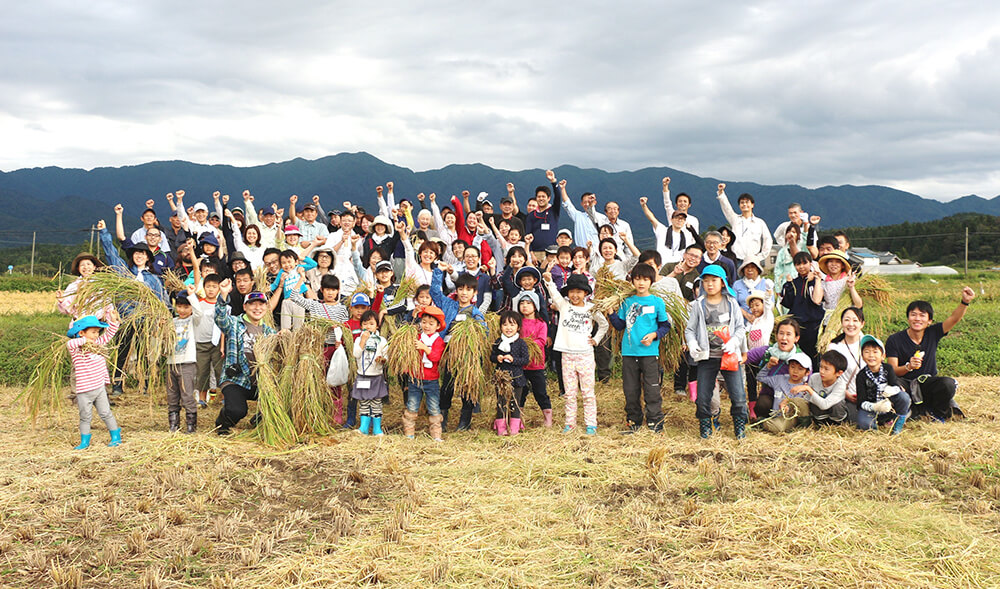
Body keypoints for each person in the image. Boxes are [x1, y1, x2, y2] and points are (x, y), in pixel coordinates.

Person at [98, 219, 168, 397]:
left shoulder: (153, 279)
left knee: (144, 353)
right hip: (126, 319)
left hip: (145, 320)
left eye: (143, 254)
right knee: (122, 351)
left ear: (148, 258)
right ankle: (117, 384)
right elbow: (111, 254)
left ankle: (144, 384)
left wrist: (161, 317)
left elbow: (161, 301)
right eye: (136, 253)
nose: (139, 256)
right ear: (133, 255)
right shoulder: (124, 273)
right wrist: (104, 232)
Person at [885, 287, 975, 422]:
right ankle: (908, 411)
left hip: (927, 383)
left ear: (929, 321)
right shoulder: (895, 339)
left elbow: (954, 319)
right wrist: (908, 367)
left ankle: (936, 413)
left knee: (948, 384)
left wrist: (965, 302)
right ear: (908, 318)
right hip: (906, 384)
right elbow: (893, 370)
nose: (917, 319)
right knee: (891, 384)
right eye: (913, 314)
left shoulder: (933, 333)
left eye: (922, 315)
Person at [684, 265, 748, 439]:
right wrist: (692, 342)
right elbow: (690, 329)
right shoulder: (699, 305)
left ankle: (740, 426)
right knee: (703, 396)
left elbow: (741, 328)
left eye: (714, 280)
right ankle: (706, 426)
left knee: (738, 394)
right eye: (706, 281)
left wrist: (734, 342)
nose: (710, 284)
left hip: (729, 357)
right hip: (708, 357)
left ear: (722, 282)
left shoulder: (731, 303)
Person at [606, 263, 671, 433]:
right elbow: (620, 325)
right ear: (632, 281)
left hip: (649, 353)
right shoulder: (627, 302)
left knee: (652, 388)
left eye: (645, 279)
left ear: (651, 281)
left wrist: (654, 335)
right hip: (629, 352)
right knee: (630, 389)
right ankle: (633, 420)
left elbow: (665, 325)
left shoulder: (657, 302)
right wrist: (612, 314)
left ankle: (655, 421)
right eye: (637, 279)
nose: (641, 283)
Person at [543, 272, 609, 435]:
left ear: (586, 293)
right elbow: (554, 294)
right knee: (570, 393)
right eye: (572, 291)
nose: (575, 295)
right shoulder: (564, 306)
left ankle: (591, 423)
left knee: (588, 393)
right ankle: (570, 423)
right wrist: (549, 280)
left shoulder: (591, 308)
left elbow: (604, 324)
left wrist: (596, 339)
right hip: (567, 355)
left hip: (585, 355)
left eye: (579, 292)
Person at [431, 263, 487, 431]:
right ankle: (442, 418)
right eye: (461, 289)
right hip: (449, 353)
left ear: (474, 293)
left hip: (467, 356)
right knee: (447, 386)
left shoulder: (476, 313)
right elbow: (435, 292)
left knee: (467, 386)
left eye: (468, 290)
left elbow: (484, 333)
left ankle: (465, 421)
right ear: (457, 290)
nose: (464, 293)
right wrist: (437, 272)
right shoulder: (449, 305)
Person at [213, 286, 277, 435]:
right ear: (245, 306)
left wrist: (284, 336)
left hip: (259, 382)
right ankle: (222, 423)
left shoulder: (270, 332)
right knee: (237, 410)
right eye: (252, 304)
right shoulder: (234, 324)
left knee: (278, 401)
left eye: (261, 304)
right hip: (236, 380)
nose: (257, 308)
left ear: (266, 307)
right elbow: (220, 318)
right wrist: (223, 295)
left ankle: (258, 420)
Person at [67, 311, 122, 450]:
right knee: (85, 417)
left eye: (98, 331)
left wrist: (114, 322)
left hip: (99, 388)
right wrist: (86, 340)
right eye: (93, 332)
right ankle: (84, 442)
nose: (97, 335)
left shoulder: (98, 344)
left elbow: (109, 334)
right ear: (82, 333)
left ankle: (116, 436)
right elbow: (70, 344)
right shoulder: (77, 349)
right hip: (84, 391)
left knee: (105, 413)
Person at [402, 306, 447, 441]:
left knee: (433, 407)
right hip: (415, 379)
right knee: (412, 405)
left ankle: (436, 435)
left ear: (438, 326)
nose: (427, 326)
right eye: (424, 322)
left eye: (431, 323)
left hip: (431, 380)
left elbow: (435, 358)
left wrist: (424, 348)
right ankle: (409, 433)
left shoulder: (438, 341)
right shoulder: (416, 336)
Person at [513, 291, 552, 427]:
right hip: (520, 364)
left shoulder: (541, 324)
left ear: (535, 306)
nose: (525, 306)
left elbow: (541, 341)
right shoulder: (518, 323)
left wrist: (524, 344)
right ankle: (518, 419)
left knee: (540, 391)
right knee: (520, 392)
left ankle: (547, 417)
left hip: (536, 364)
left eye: (528, 303)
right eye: (522, 303)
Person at [857, 335, 909, 434]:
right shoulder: (861, 375)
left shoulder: (888, 369)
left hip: (888, 405)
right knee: (864, 424)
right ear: (862, 357)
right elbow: (861, 401)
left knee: (904, 397)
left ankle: (897, 426)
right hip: (871, 407)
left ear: (883, 356)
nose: (871, 355)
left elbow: (896, 386)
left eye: (875, 352)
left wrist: (891, 391)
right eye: (867, 352)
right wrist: (875, 407)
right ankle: (875, 429)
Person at [490, 311, 530, 436]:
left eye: (512, 325)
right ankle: (501, 427)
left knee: (515, 402)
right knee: (501, 402)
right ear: (500, 326)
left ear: (518, 327)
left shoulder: (521, 343)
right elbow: (492, 356)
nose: (508, 328)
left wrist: (514, 360)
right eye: (505, 325)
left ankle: (514, 427)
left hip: (516, 378)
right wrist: (498, 358)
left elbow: (525, 360)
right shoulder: (498, 342)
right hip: (501, 378)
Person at [780, 251, 824, 363]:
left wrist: (812, 281)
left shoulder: (817, 280)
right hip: (797, 324)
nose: (801, 267)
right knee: (797, 354)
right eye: (798, 264)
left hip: (813, 325)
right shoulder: (793, 283)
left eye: (805, 263)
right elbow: (787, 303)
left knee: (814, 355)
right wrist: (789, 285)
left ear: (810, 264)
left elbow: (817, 300)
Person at [754, 352, 814, 433]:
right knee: (778, 427)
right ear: (788, 367)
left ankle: (802, 427)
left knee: (781, 426)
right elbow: (760, 377)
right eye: (792, 367)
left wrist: (788, 406)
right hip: (779, 417)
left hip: (793, 418)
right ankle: (762, 423)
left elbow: (806, 405)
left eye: (800, 369)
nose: (795, 371)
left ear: (807, 372)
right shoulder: (779, 380)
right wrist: (769, 366)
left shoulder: (805, 386)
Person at [167, 289, 200, 433]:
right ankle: (174, 425)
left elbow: (199, 312)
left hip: (187, 363)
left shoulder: (193, 320)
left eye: (186, 307)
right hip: (171, 363)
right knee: (172, 395)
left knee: (187, 394)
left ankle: (191, 426)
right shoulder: (171, 322)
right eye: (179, 306)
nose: (182, 310)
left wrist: (192, 296)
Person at [827, 306, 867, 424]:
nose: (851, 324)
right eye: (847, 320)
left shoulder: (870, 343)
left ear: (862, 324)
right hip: (845, 396)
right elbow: (830, 376)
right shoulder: (834, 347)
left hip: (868, 395)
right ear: (841, 323)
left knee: (867, 423)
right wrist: (845, 393)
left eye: (855, 320)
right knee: (854, 421)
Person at [352, 311, 389, 436]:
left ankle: (377, 428)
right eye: (365, 324)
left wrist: (382, 360)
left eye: (371, 324)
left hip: (376, 376)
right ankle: (363, 427)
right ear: (361, 325)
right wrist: (363, 340)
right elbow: (356, 354)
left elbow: (386, 356)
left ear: (377, 326)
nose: (368, 326)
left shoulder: (382, 340)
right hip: (362, 376)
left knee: (376, 402)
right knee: (364, 401)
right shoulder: (358, 339)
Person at [716, 183, 772, 263]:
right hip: (736, 259)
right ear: (739, 205)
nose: (744, 204)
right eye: (742, 202)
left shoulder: (760, 222)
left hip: (753, 260)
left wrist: (761, 256)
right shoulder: (735, 219)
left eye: (747, 202)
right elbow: (727, 208)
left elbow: (768, 239)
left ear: (752, 205)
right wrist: (721, 191)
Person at [804, 350, 849, 426]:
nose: (821, 371)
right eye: (821, 367)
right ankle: (819, 424)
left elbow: (825, 405)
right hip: (819, 416)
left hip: (836, 419)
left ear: (839, 373)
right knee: (814, 400)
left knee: (838, 404)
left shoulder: (840, 385)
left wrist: (809, 389)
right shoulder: (814, 377)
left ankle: (836, 424)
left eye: (826, 369)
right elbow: (807, 398)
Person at [524, 170, 561, 261]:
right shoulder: (531, 215)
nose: (541, 199)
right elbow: (527, 234)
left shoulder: (553, 210)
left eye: (543, 196)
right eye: (539, 196)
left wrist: (553, 181)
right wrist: (531, 253)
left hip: (552, 252)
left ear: (548, 198)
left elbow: (558, 196)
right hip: (535, 253)